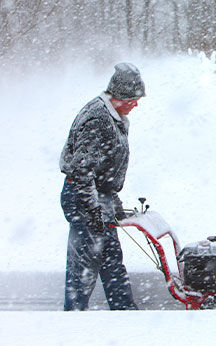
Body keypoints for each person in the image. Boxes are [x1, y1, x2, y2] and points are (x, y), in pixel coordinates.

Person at [59, 62, 145, 311]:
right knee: (83, 268)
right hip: (83, 196)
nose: (137, 104)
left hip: (98, 196)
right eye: (135, 98)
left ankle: (125, 312)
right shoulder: (98, 118)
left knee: (111, 262)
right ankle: (74, 319)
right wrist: (92, 209)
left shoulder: (112, 117)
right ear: (121, 96)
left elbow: (103, 169)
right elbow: (82, 169)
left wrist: (112, 203)